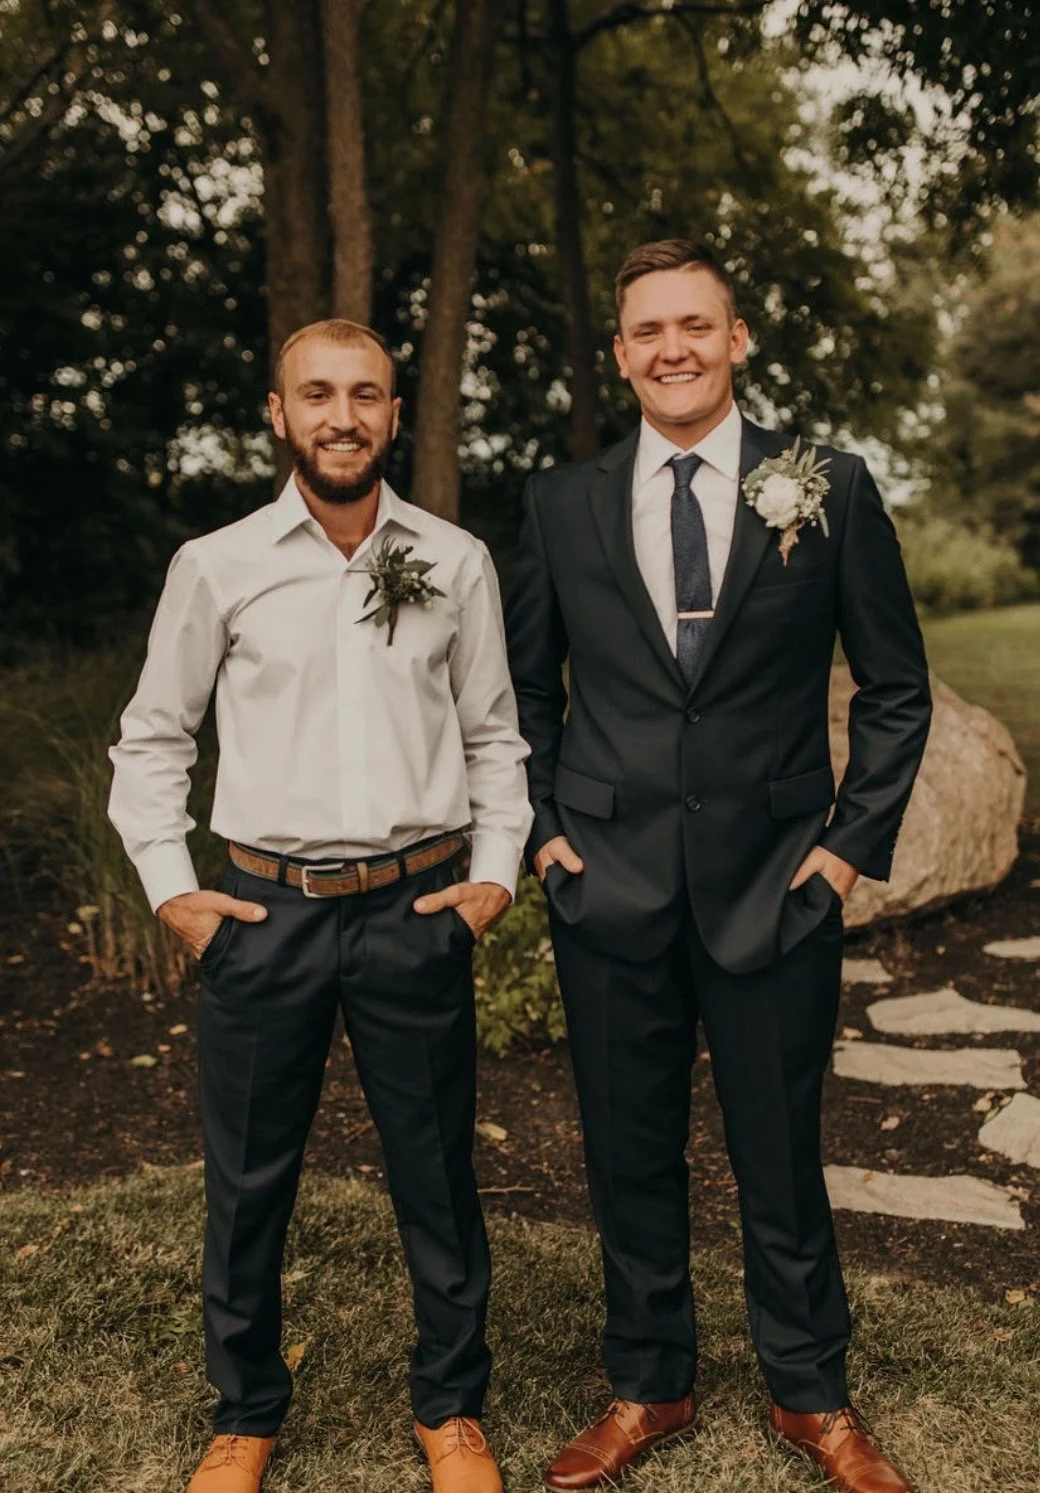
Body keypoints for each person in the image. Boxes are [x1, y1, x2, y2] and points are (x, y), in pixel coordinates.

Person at [505, 240, 931, 1493]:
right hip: (607, 877)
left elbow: (896, 689)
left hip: (776, 882)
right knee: (625, 1146)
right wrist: (541, 831)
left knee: (779, 1149)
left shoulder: (830, 487)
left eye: (694, 324)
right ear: (621, 352)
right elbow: (521, 692)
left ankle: (810, 1393)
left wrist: (844, 853)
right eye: (646, 330)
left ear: (736, 338)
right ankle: (649, 1383)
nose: (670, 348)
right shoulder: (560, 503)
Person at [109, 319, 531, 1493]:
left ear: (396, 415)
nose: (341, 415)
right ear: (278, 413)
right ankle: (245, 1409)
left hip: (416, 907)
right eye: (317, 395)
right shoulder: (218, 563)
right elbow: (151, 740)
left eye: (365, 395)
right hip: (260, 912)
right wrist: (175, 890)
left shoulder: (454, 559)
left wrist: (491, 874)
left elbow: (496, 735)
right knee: (248, 1178)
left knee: (437, 1171)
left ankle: (449, 1406)